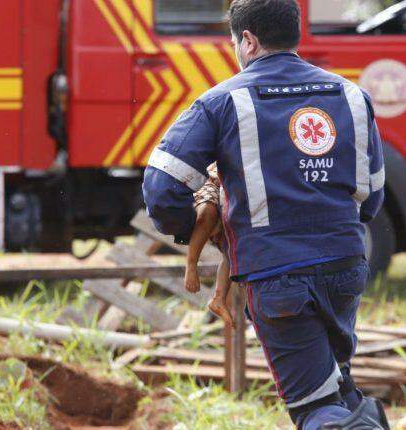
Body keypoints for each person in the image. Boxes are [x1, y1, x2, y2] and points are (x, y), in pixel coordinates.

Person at [142, 0, 388, 428]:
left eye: (237, 42)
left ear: (249, 41)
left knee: (315, 407)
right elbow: (373, 197)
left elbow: (162, 190)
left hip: (277, 277)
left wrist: (204, 227)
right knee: (334, 384)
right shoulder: (351, 95)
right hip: (346, 267)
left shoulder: (221, 102)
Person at [184, 163, 234, 327]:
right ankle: (191, 265)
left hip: (241, 184)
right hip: (215, 177)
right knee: (207, 212)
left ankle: (218, 298)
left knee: (231, 253)